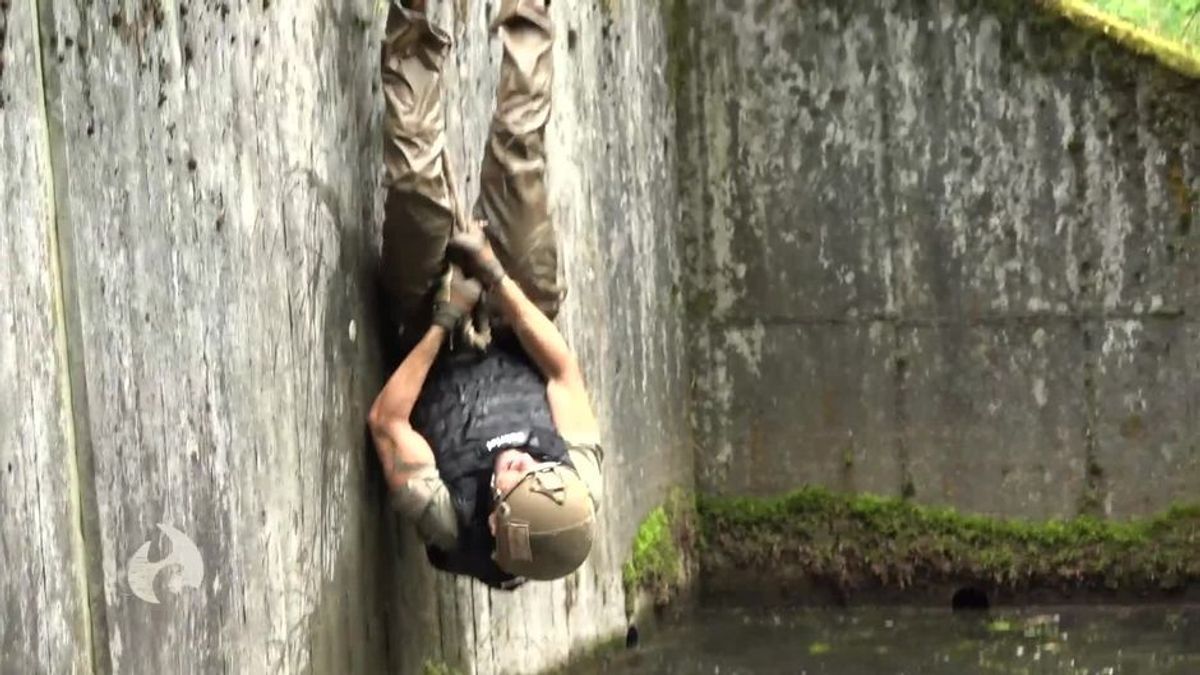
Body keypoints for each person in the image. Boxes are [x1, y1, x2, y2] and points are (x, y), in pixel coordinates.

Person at [367, 0, 604, 590]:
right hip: (516, 318)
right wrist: (495, 277)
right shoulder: (575, 482)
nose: (522, 464)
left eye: (517, 477)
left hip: (434, 340)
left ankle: (412, 20)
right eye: (536, 469)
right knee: (519, 155)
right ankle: (528, 13)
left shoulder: (445, 516)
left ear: (497, 529)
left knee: (418, 183)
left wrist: (448, 316)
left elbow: (386, 418)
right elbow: (563, 370)